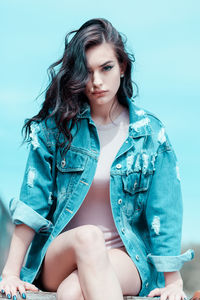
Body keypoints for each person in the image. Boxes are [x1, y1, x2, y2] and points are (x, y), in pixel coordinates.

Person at [0, 18, 194, 300]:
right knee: (88, 237)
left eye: (106, 68)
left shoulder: (150, 134)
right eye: (87, 72)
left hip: (124, 257)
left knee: (73, 291)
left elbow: (164, 210)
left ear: (123, 67)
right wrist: (10, 273)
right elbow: (34, 202)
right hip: (62, 254)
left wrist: (173, 281)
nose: (97, 82)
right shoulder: (57, 129)